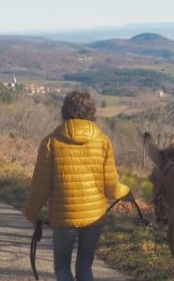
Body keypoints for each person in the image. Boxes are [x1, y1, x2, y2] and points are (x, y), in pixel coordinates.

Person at [24, 90, 132, 281]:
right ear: (92, 112)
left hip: (63, 217)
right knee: (85, 266)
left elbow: (40, 187)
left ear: (64, 111)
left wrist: (32, 213)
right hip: (94, 217)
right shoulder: (102, 141)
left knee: (62, 267)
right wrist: (127, 192)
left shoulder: (51, 142)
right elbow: (112, 188)